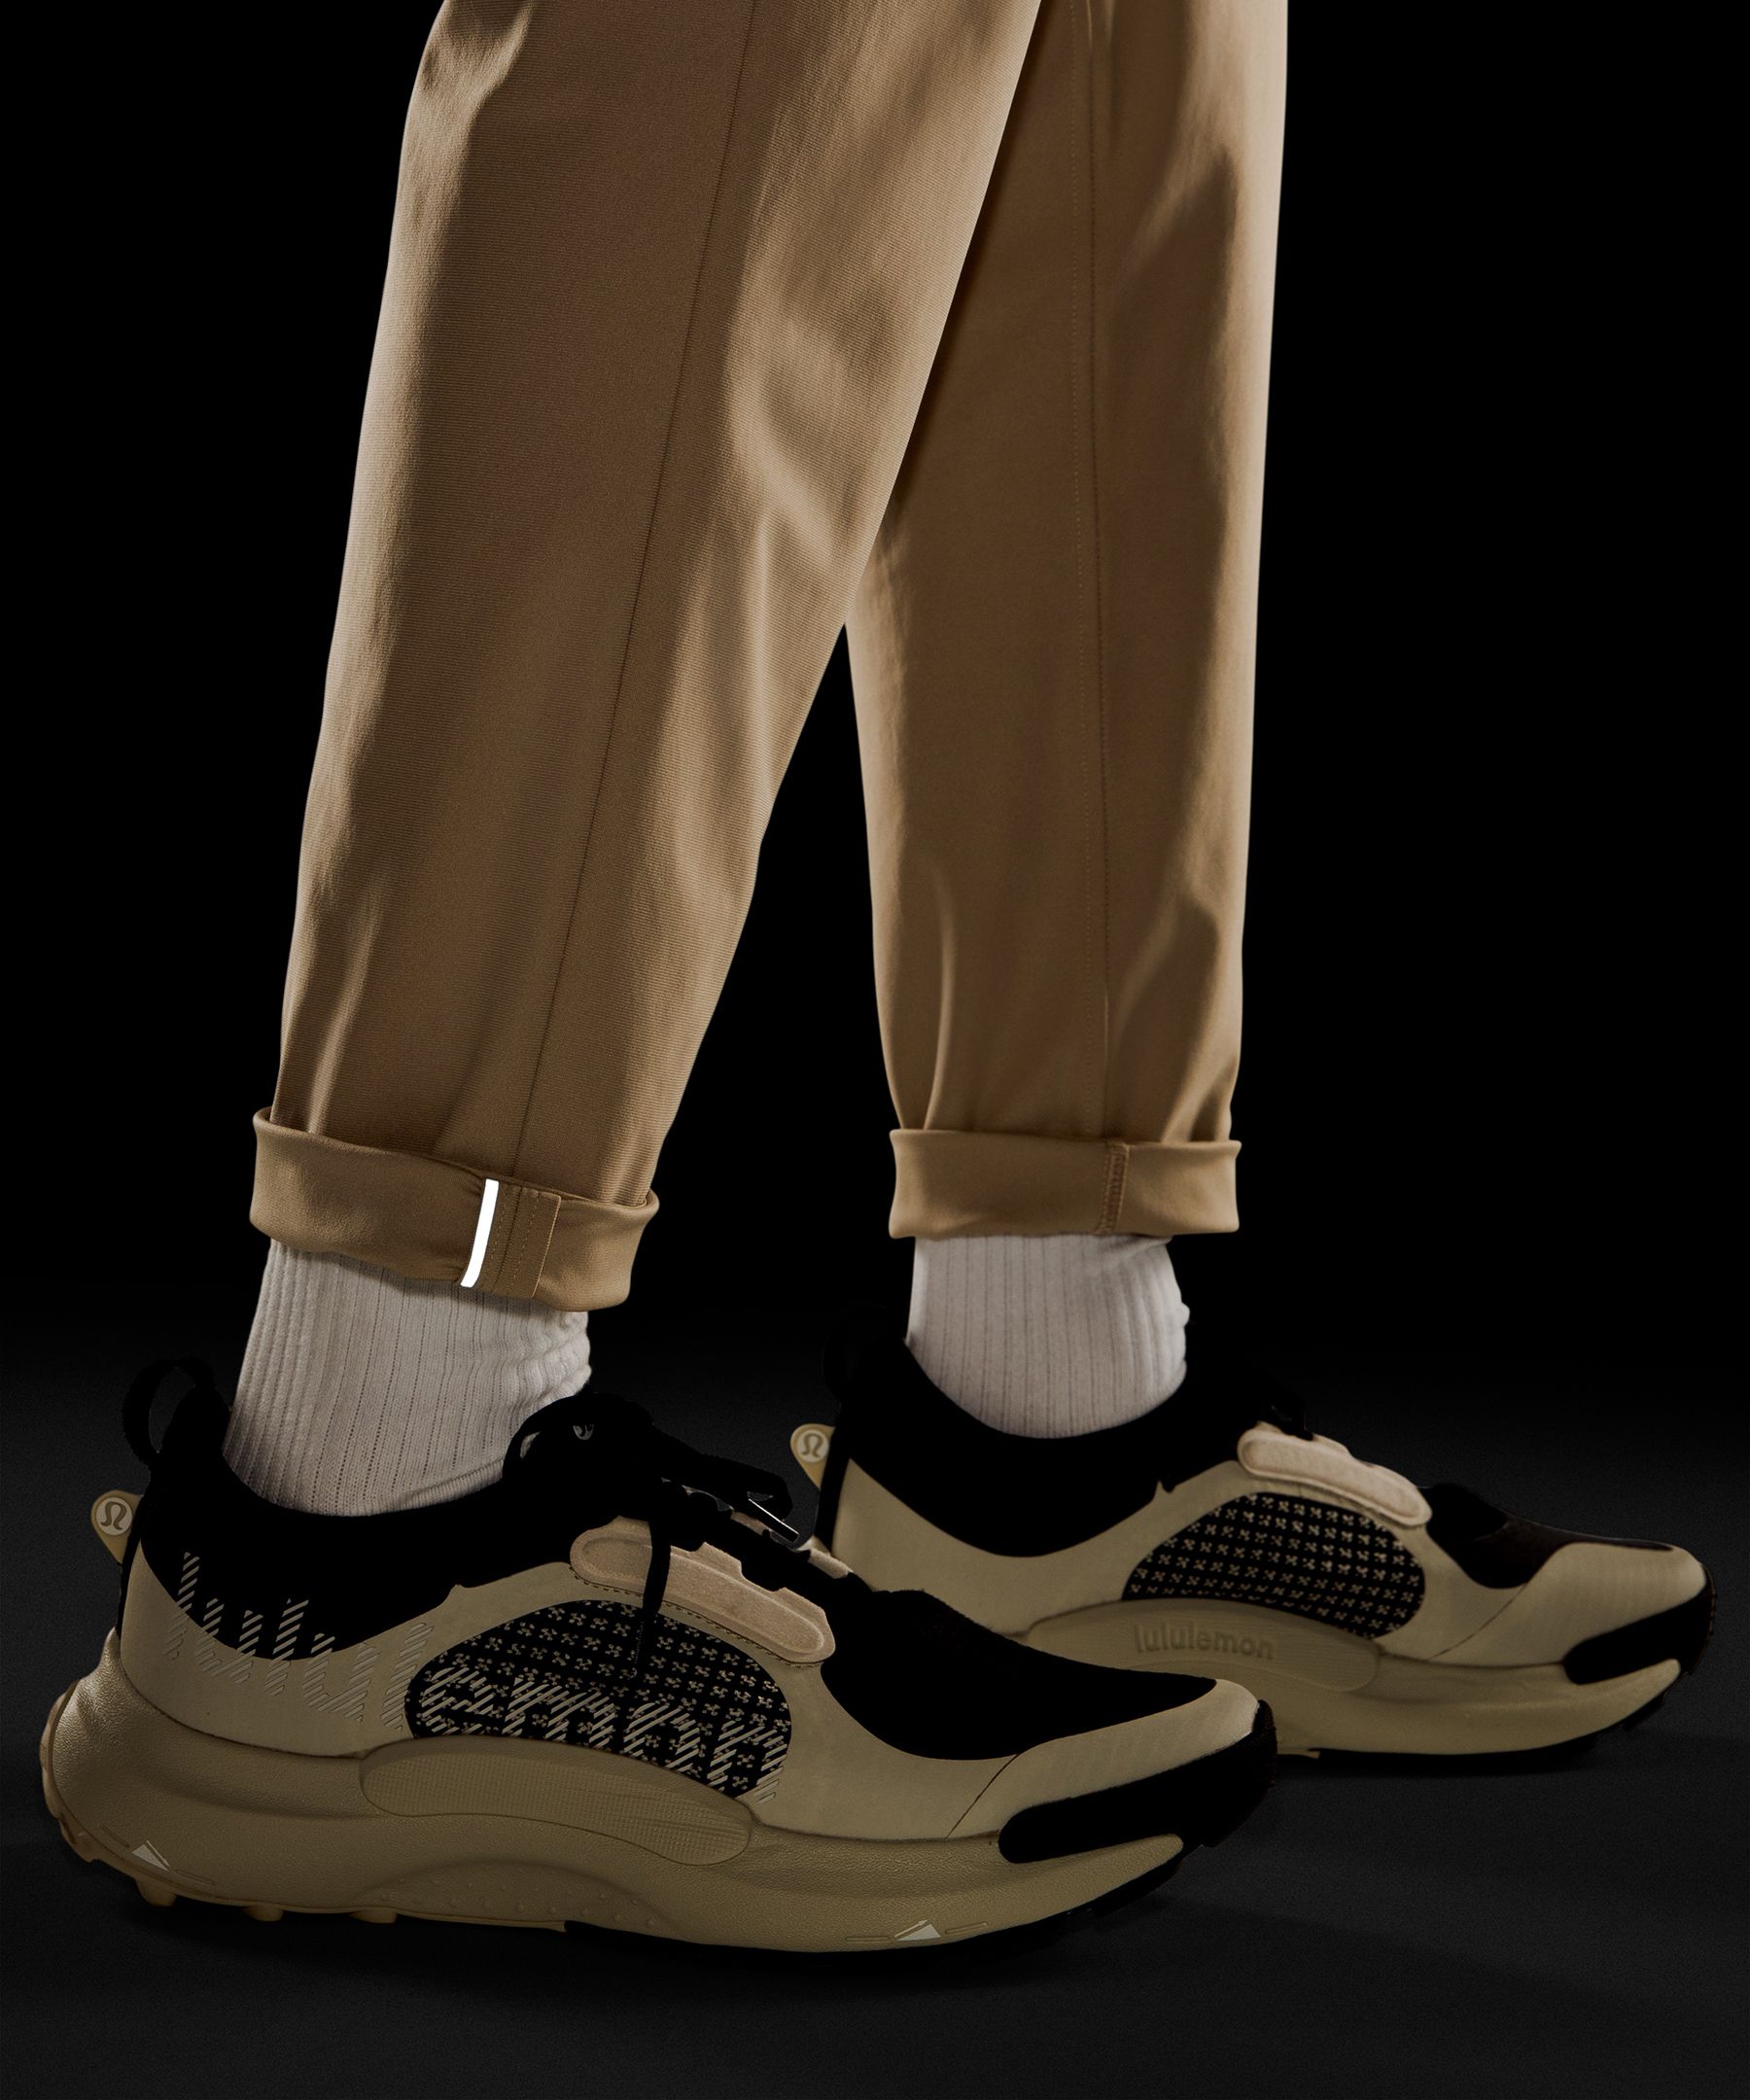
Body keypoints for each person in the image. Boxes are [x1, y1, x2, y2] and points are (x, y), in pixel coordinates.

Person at [42, 1, 1709, 1952]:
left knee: (1126, 90)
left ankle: (1053, 1411)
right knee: (735, 55)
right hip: (352, 1546)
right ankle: (369, 1488)